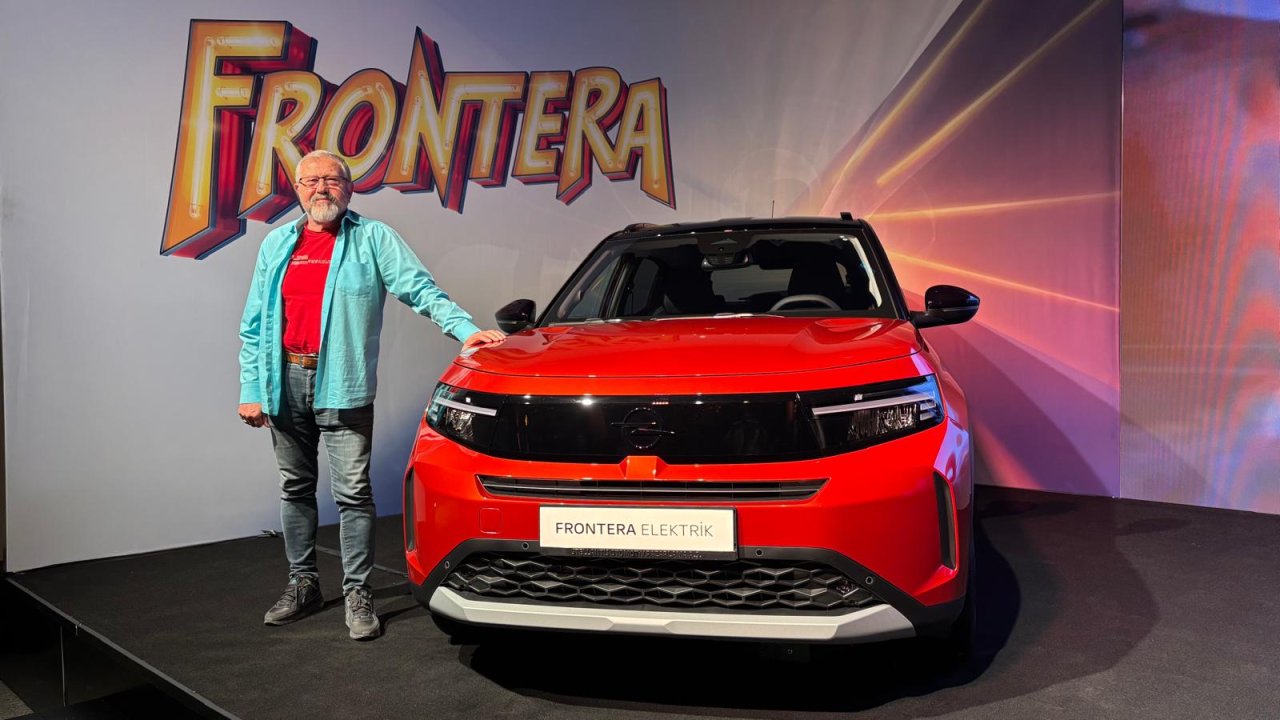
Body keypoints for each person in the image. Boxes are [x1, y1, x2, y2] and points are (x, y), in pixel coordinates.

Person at [237, 150, 504, 640]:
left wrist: (467, 331)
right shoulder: (277, 244)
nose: (321, 189)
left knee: (353, 494)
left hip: (343, 384)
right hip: (284, 382)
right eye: (311, 181)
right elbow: (253, 325)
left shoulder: (373, 238)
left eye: (331, 180)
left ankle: (357, 591)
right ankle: (303, 584)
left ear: (349, 187)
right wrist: (251, 389)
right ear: (297, 189)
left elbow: (421, 290)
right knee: (295, 488)